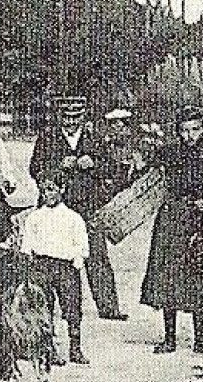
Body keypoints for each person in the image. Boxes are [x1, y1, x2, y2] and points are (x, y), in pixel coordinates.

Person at [140, 105, 203, 356]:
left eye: (195, 130)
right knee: (168, 277)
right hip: (172, 221)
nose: (189, 136)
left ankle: (201, 340)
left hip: (201, 221)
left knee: (200, 275)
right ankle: (169, 339)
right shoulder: (168, 153)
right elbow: (143, 175)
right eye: (184, 131)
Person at [28, 96, 128, 321]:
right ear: (59, 116)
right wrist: (57, 167)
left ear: (83, 117)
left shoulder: (94, 138)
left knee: (96, 254)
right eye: (66, 117)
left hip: (88, 205)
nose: (71, 122)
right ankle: (46, 306)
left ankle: (108, 307)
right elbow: (35, 169)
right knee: (48, 254)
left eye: (76, 117)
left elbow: (112, 168)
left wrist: (94, 164)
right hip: (55, 207)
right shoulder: (47, 138)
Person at [19, 171, 90, 366]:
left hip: (66, 267)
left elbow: (82, 246)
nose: (47, 195)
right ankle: (48, 349)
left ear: (62, 189)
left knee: (72, 309)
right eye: (43, 191)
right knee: (44, 309)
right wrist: (30, 267)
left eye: (51, 189)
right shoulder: (34, 218)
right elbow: (27, 246)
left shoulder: (74, 218)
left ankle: (75, 348)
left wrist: (76, 263)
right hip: (42, 266)